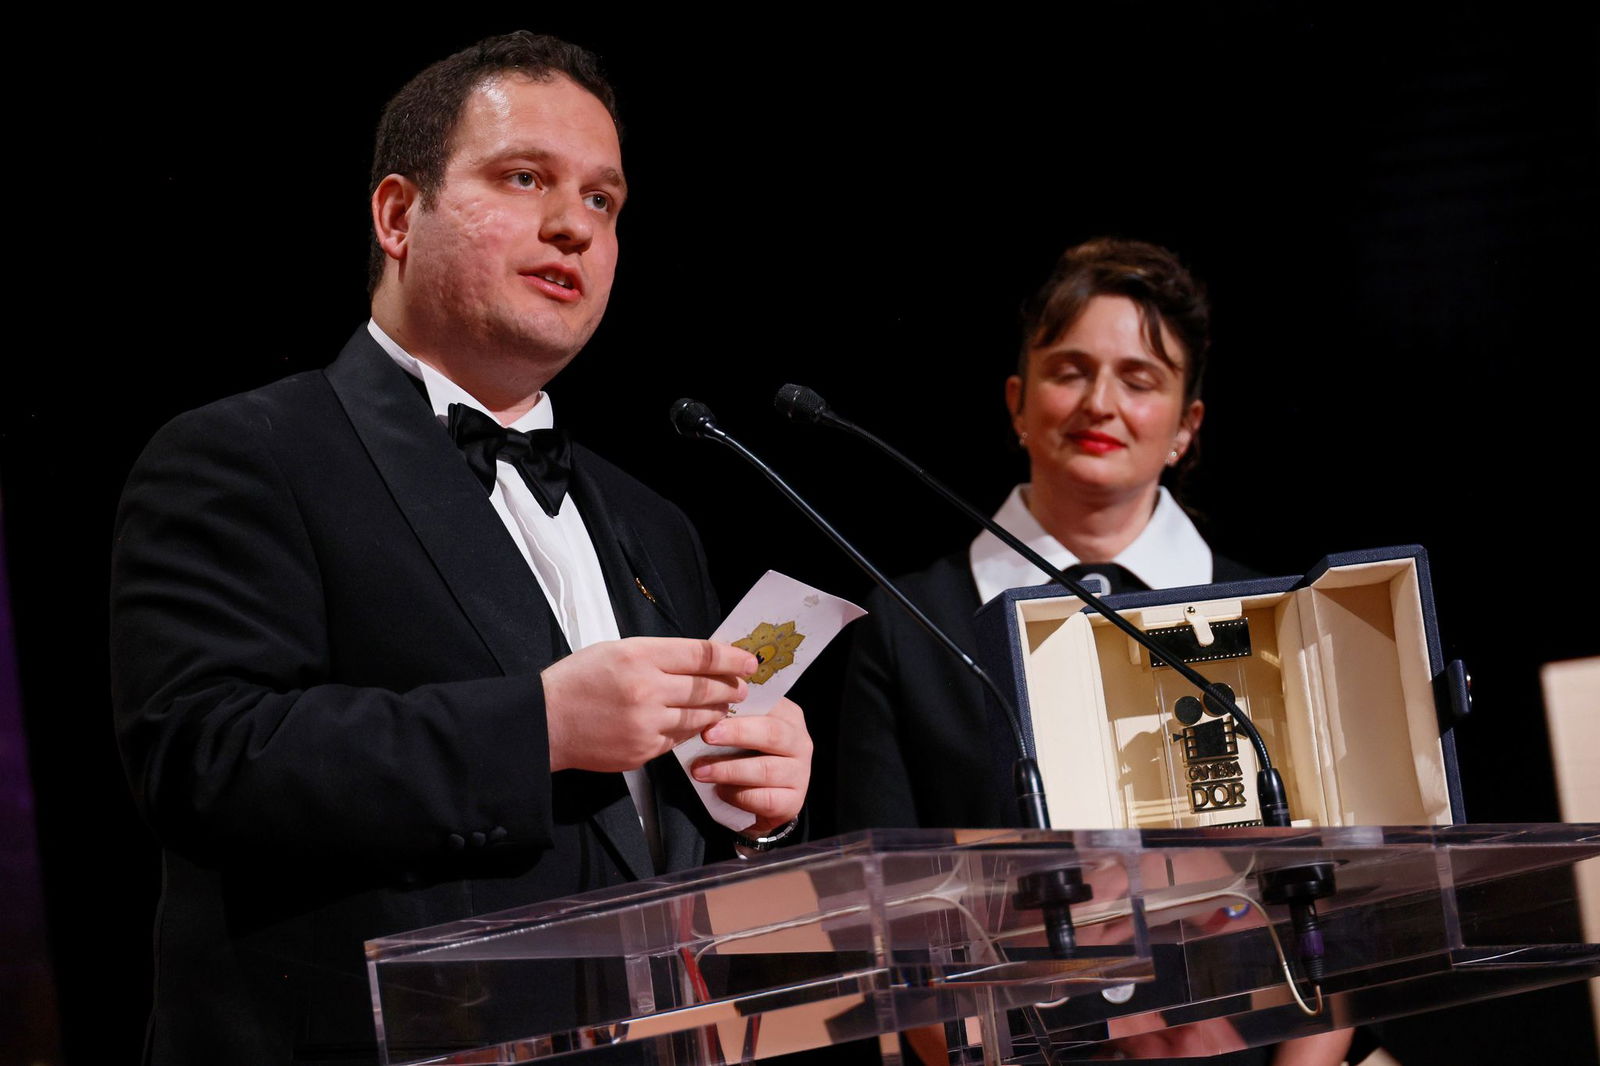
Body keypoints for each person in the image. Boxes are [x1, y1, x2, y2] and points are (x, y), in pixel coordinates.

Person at [110, 33, 810, 1063]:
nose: (573, 223)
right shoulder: (244, 454)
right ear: (398, 214)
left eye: (604, 200)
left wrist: (751, 810)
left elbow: (647, 846)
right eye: (523, 178)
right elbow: (206, 759)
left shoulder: (650, 519)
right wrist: (536, 726)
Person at [836, 237, 1249, 832]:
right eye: (1070, 372)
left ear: (1187, 425)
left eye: (1139, 380)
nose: (1100, 403)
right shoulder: (909, 624)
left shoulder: (1265, 608)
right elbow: (877, 887)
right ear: (1018, 404)